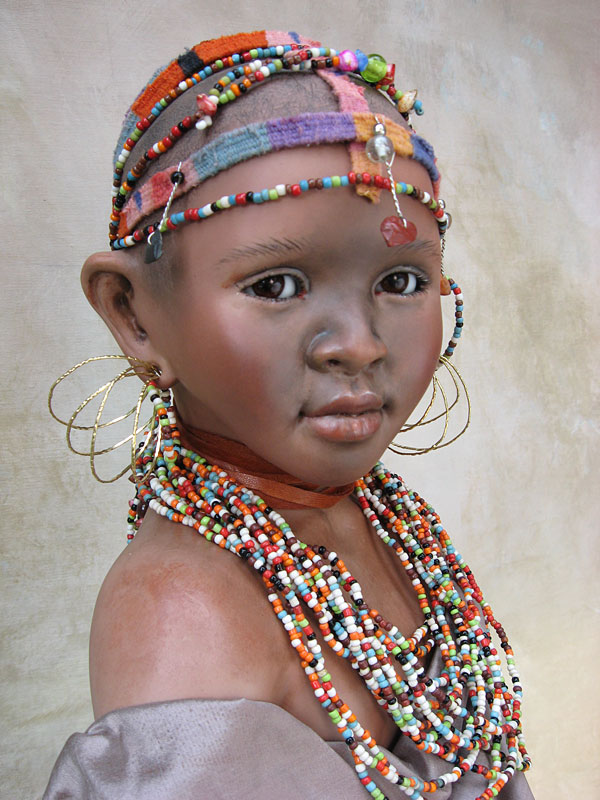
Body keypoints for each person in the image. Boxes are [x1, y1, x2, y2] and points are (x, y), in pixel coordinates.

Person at [44, 30, 533, 800]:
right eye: (276, 286)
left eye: (402, 279)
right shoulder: (187, 619)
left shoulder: (376, 521)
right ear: (134, 313)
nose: (361, 344)